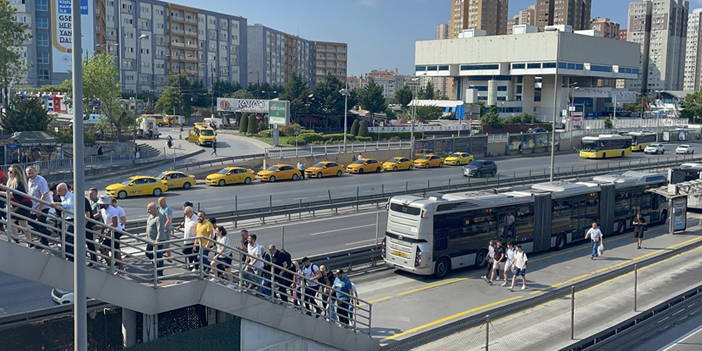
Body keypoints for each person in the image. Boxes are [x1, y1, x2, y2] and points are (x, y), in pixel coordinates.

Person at [1, 164, 33, 246]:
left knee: (10, 221)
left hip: (23, 203)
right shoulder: (11, 181)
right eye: (8, 171)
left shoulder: (19, 182)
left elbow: (15, 195)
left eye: (11, 171)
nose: (8, 173)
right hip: (19, 203)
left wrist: (1, 192)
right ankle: (29, 241)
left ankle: (16, 239)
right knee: (23, 223)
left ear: (16, 173)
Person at [95, 195, 124, 270]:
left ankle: (119, 267)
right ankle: (112, 266)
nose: (99, 205)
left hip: (116, 231)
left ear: (106, 203)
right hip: (109, 231)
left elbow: (114, 224)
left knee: (114, 250)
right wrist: (101, 234)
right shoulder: (102, 210)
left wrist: (101, 227)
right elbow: (103, 222)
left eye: (101, 203)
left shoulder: (112, 210)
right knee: (110, 249)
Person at [26, 166, 51, 247]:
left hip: (43, 205)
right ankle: (46, 233)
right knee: (29, 220)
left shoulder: (41, 180)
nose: (30, 175)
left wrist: (39, 209)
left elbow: (44, 194)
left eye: (32, 173)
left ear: (36, 172)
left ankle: (45, 243)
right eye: (28, 173)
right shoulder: (29, 181)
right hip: (34, 205)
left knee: (41, 222)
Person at [145, 202, 166, 277]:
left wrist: (157, 242)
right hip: (150, 240)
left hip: (157, 241)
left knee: (158, 256)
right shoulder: (151, 216)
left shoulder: (158, 217)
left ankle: (159, 272)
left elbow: (160, 230)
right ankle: (155, 265)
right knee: (148, 253)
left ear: (154, 208)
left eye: (149, 209)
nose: (148, 210)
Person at [176, 206, 198, 271]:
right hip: (187, 239)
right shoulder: (187, 217)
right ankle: (192, 263)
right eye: (184, 213)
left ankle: (196, 266)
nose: (185, 215)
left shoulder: (196, 219)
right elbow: (186, 223)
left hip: (193, 240)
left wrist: (196, 241)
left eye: (186, 213)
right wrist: (180, 226)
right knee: (188, 252)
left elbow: (198, 229)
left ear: (191, 212)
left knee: (186, 250)